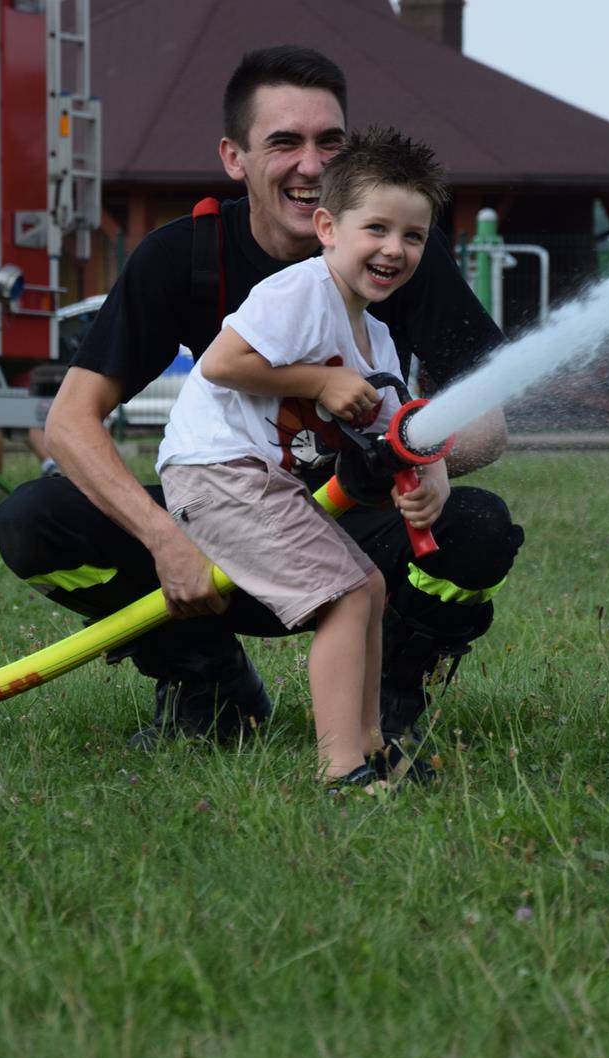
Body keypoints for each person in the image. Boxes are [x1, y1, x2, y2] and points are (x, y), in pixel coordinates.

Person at [0, 46, 522, 755]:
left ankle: (391, 698)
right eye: (284, 142)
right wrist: (164, 540)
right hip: (223, 513)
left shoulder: (398, 254)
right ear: (234, 157)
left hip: (353, 517)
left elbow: (486, 419)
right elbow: (69, 422)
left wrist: (419, 454)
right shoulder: (182, 257)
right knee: (36, 522)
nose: (311, 165)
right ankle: (207, 680)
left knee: (478, 528)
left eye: (329, 143)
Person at [157, 127, 444, 788]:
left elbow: (403, 431)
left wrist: (431, 486)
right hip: (217, 472)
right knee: (345, 595)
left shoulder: (377, 339)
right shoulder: (300, 293)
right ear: (327, 227)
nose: (394, 249)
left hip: (259, 481)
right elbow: (223, 363)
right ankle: (341, 768)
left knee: (368, 587)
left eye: (414, 236)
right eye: (376, 228)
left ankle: (373, 747)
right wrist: (317, 382)